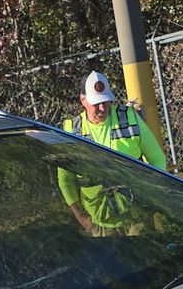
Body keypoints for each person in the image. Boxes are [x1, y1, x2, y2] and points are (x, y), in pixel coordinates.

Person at [57, 71, 168, 234]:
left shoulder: (130, 118)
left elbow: (157, 159)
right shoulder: (71, 131)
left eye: (106, 101)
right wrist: (80, 216)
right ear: (83, 100)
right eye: (96, 103)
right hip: (98, 222)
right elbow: (66, 179)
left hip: (137, 218)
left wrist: (152, 199)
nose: (102, 108)